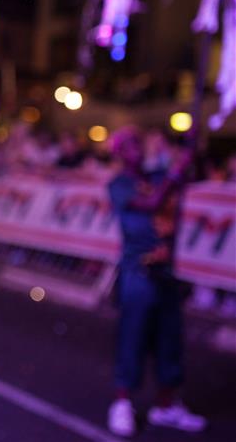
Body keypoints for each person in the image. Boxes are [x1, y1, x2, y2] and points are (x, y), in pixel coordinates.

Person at [106, 126, 206, 437]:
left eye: (139, 142)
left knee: (169, 340)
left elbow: (184, 182)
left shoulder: (156, 178)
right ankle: (122, 403)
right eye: (131, 144)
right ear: (120, 153)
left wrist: (190, 149)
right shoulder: (119, 184)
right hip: (138, 273)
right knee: (133, 338)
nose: (138, 148)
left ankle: (166, 405)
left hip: (166, 274)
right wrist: (175, 171)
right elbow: (149, 205)